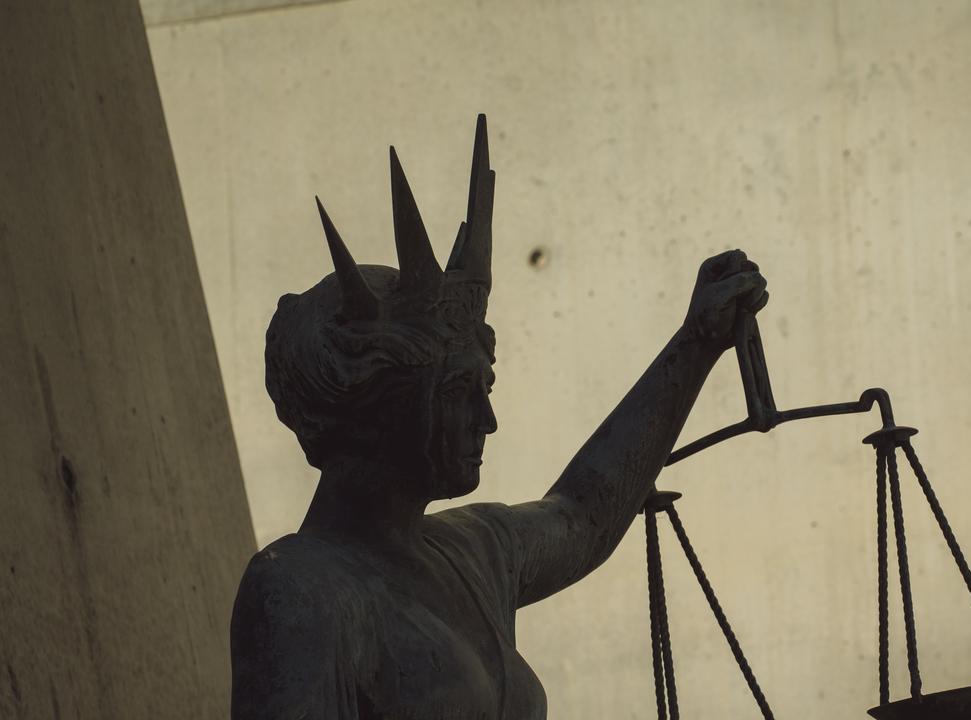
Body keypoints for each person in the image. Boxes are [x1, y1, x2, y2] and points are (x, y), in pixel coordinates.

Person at [230, 115, 768, 719]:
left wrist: (696, 342)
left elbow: (585, 513)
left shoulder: (476, 551)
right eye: (460, 389)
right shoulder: (301, 590)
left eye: (485, 387)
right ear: (378, 398)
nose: (486, 421)